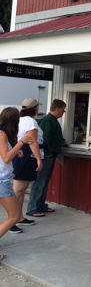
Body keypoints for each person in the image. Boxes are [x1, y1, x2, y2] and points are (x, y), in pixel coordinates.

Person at [0, 107, 33, 258]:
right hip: (2, 181)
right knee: (14, 216)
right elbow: (6, 158)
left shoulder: (3, 135)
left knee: (13, 215)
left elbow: (5, 154)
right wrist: (21, 143)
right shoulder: (2, 135)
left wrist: (14, 148)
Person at [27, 99, 69, 218]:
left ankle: (41, 205)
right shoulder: (47, 120)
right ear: (57, 109)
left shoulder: (53, 120)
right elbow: (43, 138)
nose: (64, 112)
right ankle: (33, 208)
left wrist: (62, 141)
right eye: (63, 109)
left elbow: (53, 136)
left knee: (44, 182)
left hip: (51, 156)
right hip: (46, 156)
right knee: (39, 182)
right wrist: (48, 152)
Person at [10, 99, 44, 234]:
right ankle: (11, 221)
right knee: (18, 190)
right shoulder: (30, 121)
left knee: (21, 189)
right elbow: (32, 141)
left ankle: (19, 217)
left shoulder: (20, 120)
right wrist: (38, 159)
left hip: (21, 155)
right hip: (27, 157)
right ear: (34, 108)